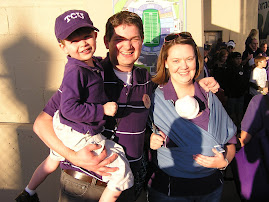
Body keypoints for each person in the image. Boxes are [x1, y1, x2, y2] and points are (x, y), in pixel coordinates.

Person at [31, 11, 220, 202]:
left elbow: (173, 90)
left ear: (142, 40)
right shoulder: (88, 74)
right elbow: (41, 124)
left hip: (127, 186)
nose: (128, 46)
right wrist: (74, 157)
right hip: (85, 185)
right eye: (119, 39)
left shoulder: (145, 79)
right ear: (106, 41)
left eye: (134, 39)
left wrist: (198, 86)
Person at [16, 9, 134, 202]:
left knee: (53, 159)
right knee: (120, 170)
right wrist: (101, 110)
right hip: (77, 130)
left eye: (86, 36)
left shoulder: (90, 64)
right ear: (62, 47)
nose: (83, 43)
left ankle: (28, 192)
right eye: (74, 40)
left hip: (64, 127)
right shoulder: (75, 72)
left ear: (95, 36)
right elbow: (69, 109)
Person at [148, 32, 237, 202]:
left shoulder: (210, 97)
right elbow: (136, 132)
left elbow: (231, 141)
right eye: (176, 60)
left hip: (210, 189)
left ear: (197, 60)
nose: (184, 66)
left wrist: (224, 162)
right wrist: (150, 139)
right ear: (165, 63)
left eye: (189, 59)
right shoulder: (155, 99)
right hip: (170, 191)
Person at [225, 52, 249, 130]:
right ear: (233, 59)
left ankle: (239, 128)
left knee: (240, 113)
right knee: (232, 114)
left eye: (240, 59)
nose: (239, 60)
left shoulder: (242, 69)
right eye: (237, 59)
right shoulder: (228, 70)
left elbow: (245, 81)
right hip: (232, 96)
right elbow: (227, 84)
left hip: (240, 95)